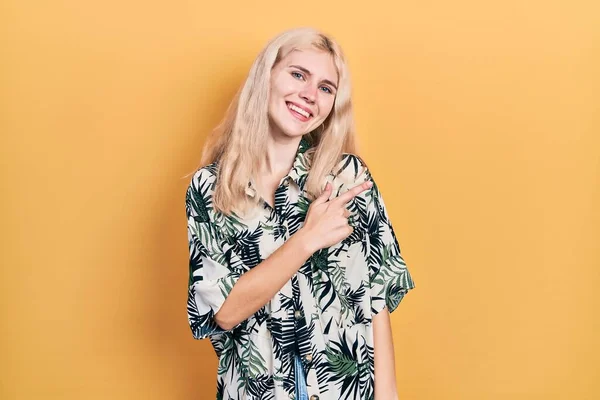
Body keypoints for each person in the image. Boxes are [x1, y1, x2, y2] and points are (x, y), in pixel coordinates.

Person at [185, 27, 415, 400]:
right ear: (267, 76)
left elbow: (376, 301)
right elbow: (224, 313)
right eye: (298, 74)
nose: (310, 95)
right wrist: (307, 239)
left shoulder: (347, 178)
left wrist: (388, 396)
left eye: (326, 88)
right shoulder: (211, 189)